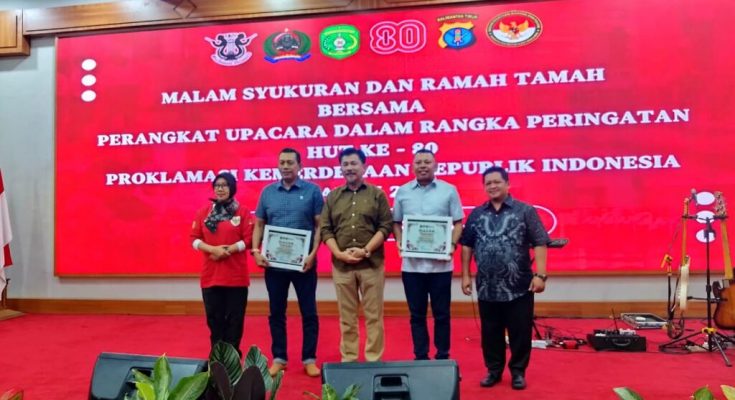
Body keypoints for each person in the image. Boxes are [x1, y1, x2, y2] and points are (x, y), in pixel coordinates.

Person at [459, 166, 549, 390]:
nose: (492, 186)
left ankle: (518, 372)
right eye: (488, 183)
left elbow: (540, 242)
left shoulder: (525, 211)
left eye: (497, 182)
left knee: (520, 332)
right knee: (490, 333)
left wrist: (541, 275)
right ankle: (494, 370)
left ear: (508, 184)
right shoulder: (477, 214)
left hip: (518, 285)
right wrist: (465, 275)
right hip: (487, 286)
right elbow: (467, 245)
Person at [251, 148, 324, 378]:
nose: (285, 166)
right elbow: (259, 224)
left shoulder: (312, 191)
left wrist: (313, 254)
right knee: (276, 312)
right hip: (274, 266)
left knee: (309, 312)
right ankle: (279, 358)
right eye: (282, 162)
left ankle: (309, 359)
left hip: (304, 264)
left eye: (290, 162)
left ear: (300, 166)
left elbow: (320, 225)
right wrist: (255, 251)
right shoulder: (268, 192)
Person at [320, 147, 392, 362]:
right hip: (342, 266)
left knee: (374, 317)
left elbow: (385, 226)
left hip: (371, 264)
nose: (349, 168)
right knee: (347, 318)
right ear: (341, 168)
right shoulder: (333, 196)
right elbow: (325, 229)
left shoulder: (377, 194)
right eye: (345, 164)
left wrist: (366, 250)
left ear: (364, 167)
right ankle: (349, 360)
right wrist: (338, 254)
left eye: (354, 163)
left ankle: (373, 360)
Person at [392, 149, 464, 360]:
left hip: (441, 266)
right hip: (412, 267)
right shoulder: (403, 191)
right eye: (418, 162)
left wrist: (452, 244)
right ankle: (421, 357)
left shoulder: (449, 190)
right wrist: (399, 242)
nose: (422, 166)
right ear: (412, 167)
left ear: (436, 165)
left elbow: (458, 222)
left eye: (427, 162)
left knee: (442, 315)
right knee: (417, 315)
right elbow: (396, 222)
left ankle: (443, 356)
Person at [190, 172, 254, 356]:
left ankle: (233, 359)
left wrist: (227, 250)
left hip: (235, 278)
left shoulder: (242, 212)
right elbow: (194, 239)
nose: (220, 189)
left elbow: (249, 240)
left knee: (234, 322)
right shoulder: (204, 212)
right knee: (215, 322)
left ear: (232, 188)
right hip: (211, 277)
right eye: (217, 185)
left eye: (225, 185)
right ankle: (217, 359)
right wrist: (212, 249)